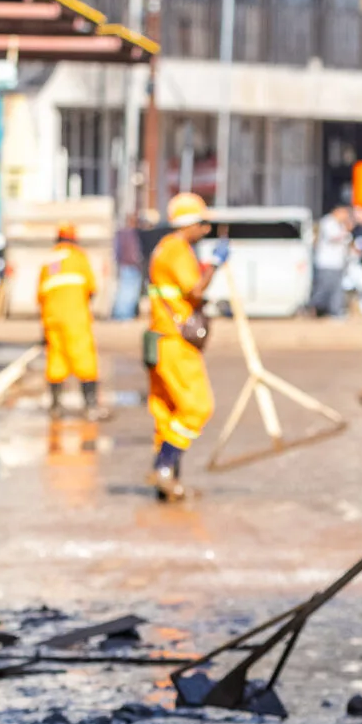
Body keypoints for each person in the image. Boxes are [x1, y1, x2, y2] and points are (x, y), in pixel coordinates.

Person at [145, 193, 222, 502]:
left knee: (167, 413)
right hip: (175, 343)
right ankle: (163, 469)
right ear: (189, 224)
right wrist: (214, 265)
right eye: (202, 224)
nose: (205, 230)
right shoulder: (177, 250)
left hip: (160, 338)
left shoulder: (165, 249)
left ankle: (168, 485)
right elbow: (194, 290)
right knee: (197, 407)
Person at [38, 222, 101, 417]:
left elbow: (40, 294)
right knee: (83, 357)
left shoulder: (48, 261)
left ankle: (55, 406)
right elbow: (91, 288)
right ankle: (90, 406)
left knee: (56, 359)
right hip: (75, 317)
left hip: (51, 318)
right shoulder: (78, 257)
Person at [311, 205, 352, 318]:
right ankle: (315, 309)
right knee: (323, 288)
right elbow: (333, 237)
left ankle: (336, 311)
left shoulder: (340, 224)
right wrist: (346, 231)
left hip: (338, 262)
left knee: (337, 289)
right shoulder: (328, 222)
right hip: (326, 262)